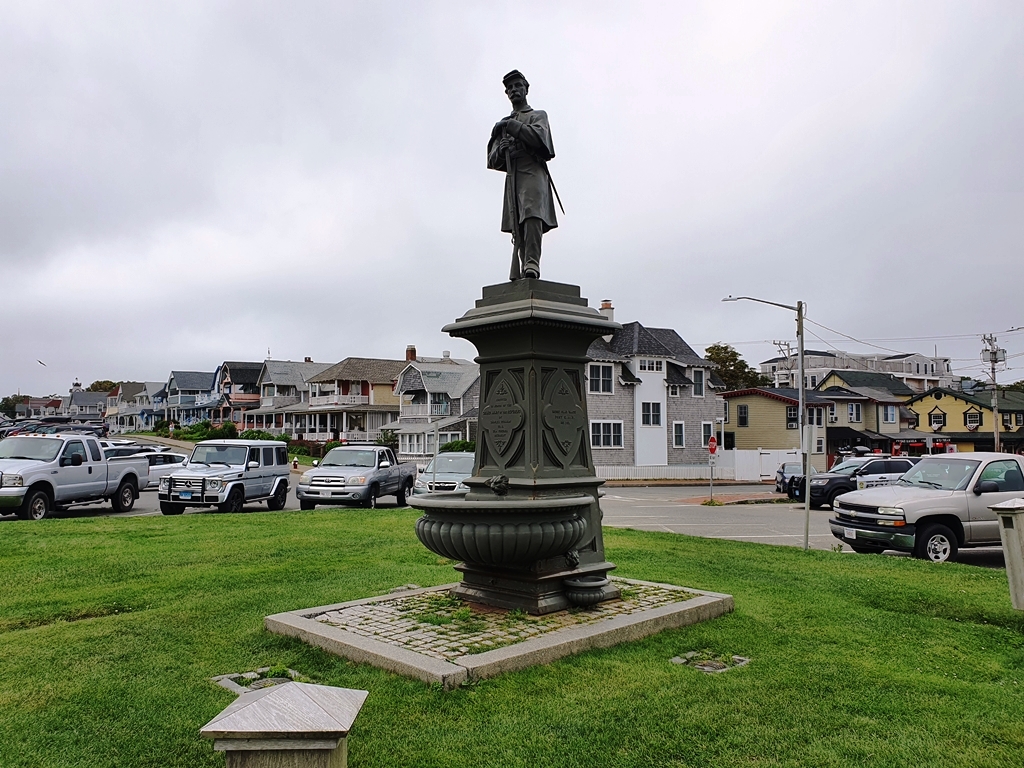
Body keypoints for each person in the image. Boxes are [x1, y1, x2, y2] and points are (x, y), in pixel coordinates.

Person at [487, 70, 558, 280]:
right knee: (517, 224)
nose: (513, 90)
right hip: (513, 176)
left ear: (526, 89)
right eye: (509, 88)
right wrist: (502, 150)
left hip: (532, 170)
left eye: (518, 86)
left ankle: (531, 262)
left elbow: (540, 139)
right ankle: (522, 264)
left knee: (532, 213)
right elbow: (492, 159)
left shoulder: (537, 116)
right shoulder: (503, 124)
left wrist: (513, 127)